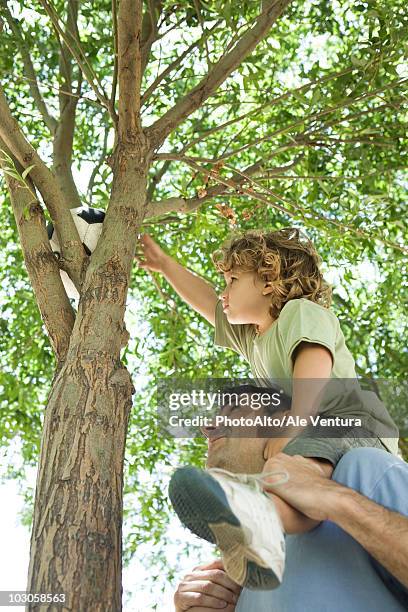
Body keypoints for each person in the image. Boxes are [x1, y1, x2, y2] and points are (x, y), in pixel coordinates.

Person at [136, 228, 399, 589]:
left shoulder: (299, 313)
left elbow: (315, 361)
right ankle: (262, 530)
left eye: (232, 280)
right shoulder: (252, 339)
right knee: (292, 484)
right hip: (317, 431)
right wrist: (165, 265)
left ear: (268, 282)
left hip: (354, 423)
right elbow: (208, 303)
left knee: (299, 466)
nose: (224, 292)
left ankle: (254, 512)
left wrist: (293, 422)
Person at [173, 386, 408, 611]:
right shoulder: (243, 571)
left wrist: (334, 498)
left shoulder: (360, 471)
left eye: (234, 409)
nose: (207, 427)